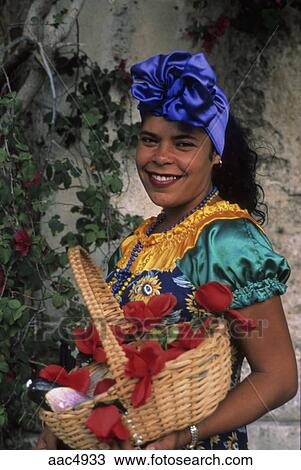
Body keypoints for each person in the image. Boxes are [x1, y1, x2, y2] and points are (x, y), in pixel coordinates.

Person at [36, 51, 298, 450]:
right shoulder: (137, 241)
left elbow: (278, 378)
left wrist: (184, 435)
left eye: (184, 144)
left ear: (216, 154)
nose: (161, 157)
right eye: (149, 140)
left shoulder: (227, 240)